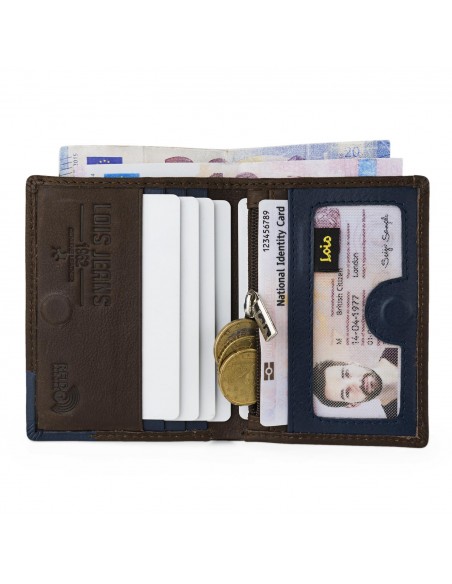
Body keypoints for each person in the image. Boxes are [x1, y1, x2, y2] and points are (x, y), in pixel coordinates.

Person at [313, 348, 399, 418]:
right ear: (353, 404)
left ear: (353, 364)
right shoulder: (397, 417)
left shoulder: (396, 346)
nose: (357, 383)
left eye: (346, 374)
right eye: (347, 392)